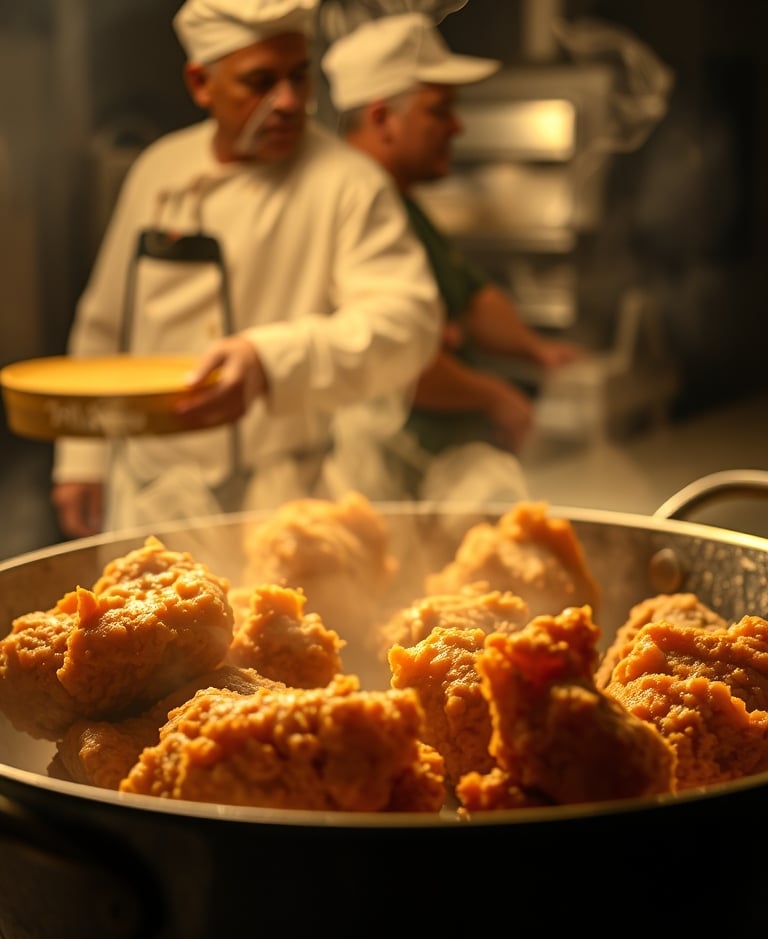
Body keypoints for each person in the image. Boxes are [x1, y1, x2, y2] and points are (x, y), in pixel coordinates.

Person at [50, 0, 441, 538]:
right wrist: (80, 462)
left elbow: (408, 323)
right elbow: (104, 325)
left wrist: (271, 359)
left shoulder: (349, 183)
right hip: (149, 495)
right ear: (200, 83)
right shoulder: (159, 169)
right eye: (259, 82)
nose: (288, 102)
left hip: (281, 503)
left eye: (299, 78)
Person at [321, 12, 585, 498]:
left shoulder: (402, 203)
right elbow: (392, 357)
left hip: (442, 475)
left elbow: (471, 296)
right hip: (381, 485)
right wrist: (494, 396)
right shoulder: (343, 208)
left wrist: (536, 350)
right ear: (382, 118)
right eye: (439, 111)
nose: (457, 126)